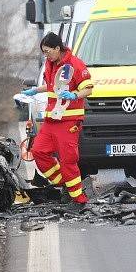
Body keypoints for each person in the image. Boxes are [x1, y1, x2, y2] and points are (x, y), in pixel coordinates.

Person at [20, 32, 93, 205]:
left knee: (68, 160)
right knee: (38, 151)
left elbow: (88, 88)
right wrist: (36, 90)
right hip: (52, 119)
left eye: (47, 51)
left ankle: (79, 199)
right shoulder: (50, 63)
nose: (46, 55)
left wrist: (74, 95)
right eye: (43, 52)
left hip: (68, 122)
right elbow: (52, 86)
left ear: (57, 48)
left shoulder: (75, 64)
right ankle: (64, 184)